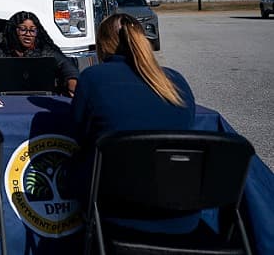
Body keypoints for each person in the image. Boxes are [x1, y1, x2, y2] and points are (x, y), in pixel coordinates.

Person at [71, 13, 197, 233]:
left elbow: (78, 135)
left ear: (103, 43)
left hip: (118, 212)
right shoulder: (175, 81)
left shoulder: (93, 78)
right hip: (183, 214)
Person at [0, 11, 79, 96]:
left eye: (32, 30)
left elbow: (67, 66)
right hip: (8, 101)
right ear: (13, 30)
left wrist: (72, 79)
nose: (28, 34)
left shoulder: (45, 50)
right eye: (23, 29)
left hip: (39, 99)